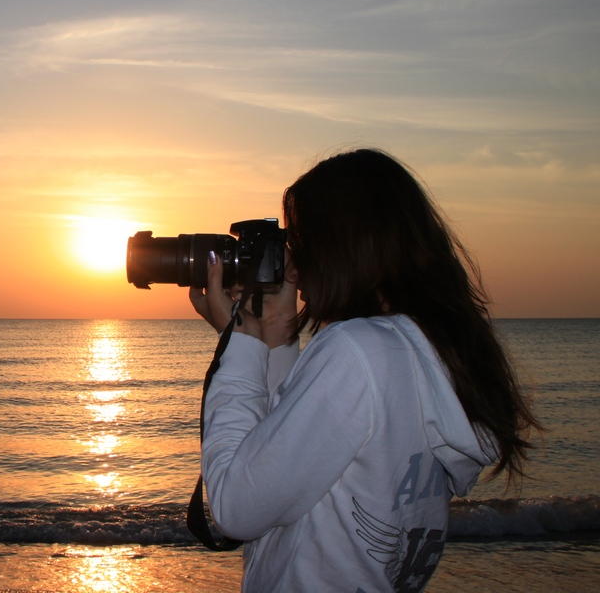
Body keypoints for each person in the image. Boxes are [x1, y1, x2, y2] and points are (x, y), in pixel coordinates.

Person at [189, 148, 540, 593]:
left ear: (343, 246)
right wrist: (274, 333)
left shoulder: (357, 351)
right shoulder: (420, 350)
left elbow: (236, 506)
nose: (293, 266)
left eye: (301, 243)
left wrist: (240, 340)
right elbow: (288, 460)